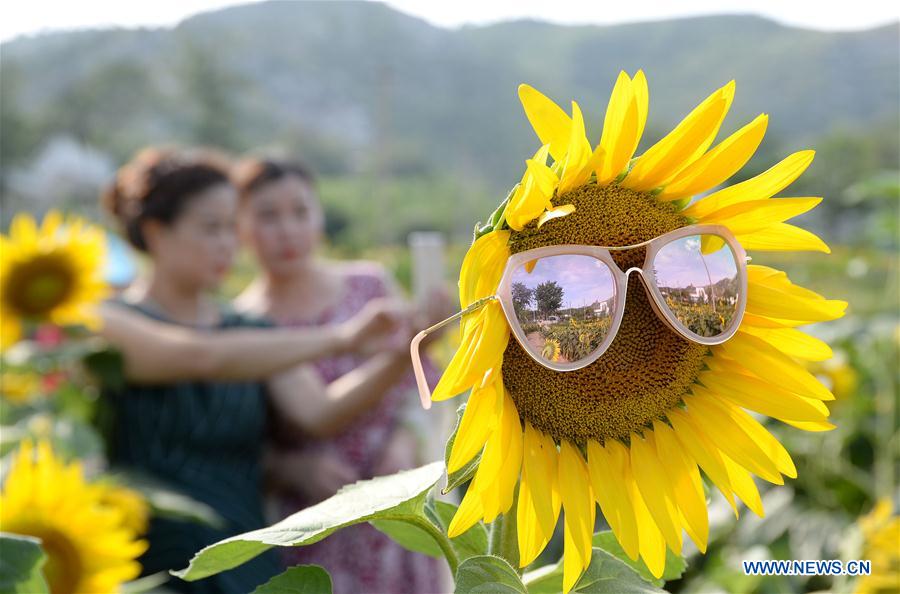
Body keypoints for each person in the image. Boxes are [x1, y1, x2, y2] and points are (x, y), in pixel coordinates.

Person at [97, 147, 414, 593]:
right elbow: (200, 356)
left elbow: (319, 412)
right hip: (149, 565)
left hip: (245, 560)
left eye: (232, 227)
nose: (228, 243)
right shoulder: (107, 322)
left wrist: (404, 349)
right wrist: (344, 336)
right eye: (211, 228)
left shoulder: (252, 330)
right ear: (156, 232)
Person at [232, 157, 450, 594]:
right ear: (242, 227)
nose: (288, 230)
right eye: (268, 216)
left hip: (398, 498)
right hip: (316, 517)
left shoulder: (369, 285)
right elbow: (295, 423)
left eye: (300, 212)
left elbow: (425, 382)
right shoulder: (247, 323)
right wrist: (289, 469)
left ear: (319, 218)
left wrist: (405, 438)